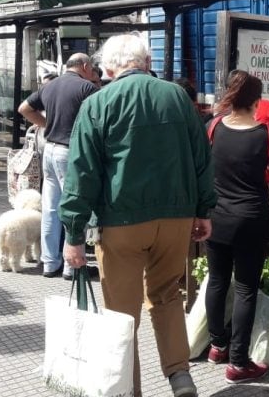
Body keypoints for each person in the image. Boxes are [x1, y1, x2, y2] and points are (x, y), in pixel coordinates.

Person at [59, 33, 216, 397]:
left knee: (121, 314)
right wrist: (203, 210)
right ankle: (179, 374)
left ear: (108, 67)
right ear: (146, 63)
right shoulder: (177, 96)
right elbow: (201, 158)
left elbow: (81, 173)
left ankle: (129, 388)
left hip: (121, 222)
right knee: (167, 296)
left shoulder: (98, 103)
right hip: (176, 219)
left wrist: (73, 233)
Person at [205, 70, 269, 383]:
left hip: (216, 217)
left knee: (216, 280)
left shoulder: (213, 128)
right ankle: (239, 363)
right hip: (251, 219)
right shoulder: (267, 135)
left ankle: (217, 346)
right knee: (245, 288)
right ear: (257, 101)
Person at [17, 53, 98, 279]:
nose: (93, 72)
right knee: (73, 206)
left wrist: (46, 124)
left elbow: (24, 108)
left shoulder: (51, 86)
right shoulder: (86, 88)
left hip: (49, 150)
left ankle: (50, 263)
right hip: (70, 151)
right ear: (84, 66)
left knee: (51, 209)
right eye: (92, 68)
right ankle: (72, 267)